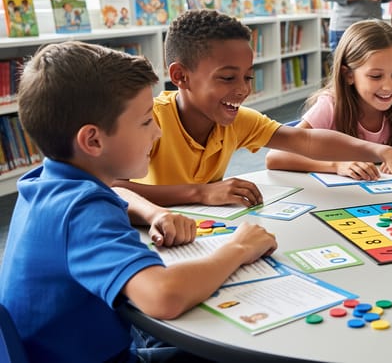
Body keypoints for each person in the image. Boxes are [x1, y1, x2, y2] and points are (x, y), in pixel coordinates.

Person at [0, 41, 278, 362]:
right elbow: (164, 297)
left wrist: (153, 213)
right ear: (93, 140)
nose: (158, 132)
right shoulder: (82, 210)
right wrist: (239, 248)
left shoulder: (49, 180)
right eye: (146, 121)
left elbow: (114, 195)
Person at [117, 10, 392, 206]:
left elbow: (307, 142)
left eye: (248, 76)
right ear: (180, 77)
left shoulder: (238, 120)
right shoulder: (151, 119)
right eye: (228, 77)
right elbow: (114, 188)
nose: (243, 89)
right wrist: (199, 193)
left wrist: (382, 153)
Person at [265, 19, 392, 179]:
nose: (389, 87)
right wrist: (336, 165)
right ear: (349, 75)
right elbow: (275, 156)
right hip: (337, 200)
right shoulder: (331, 105)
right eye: (375, 76)